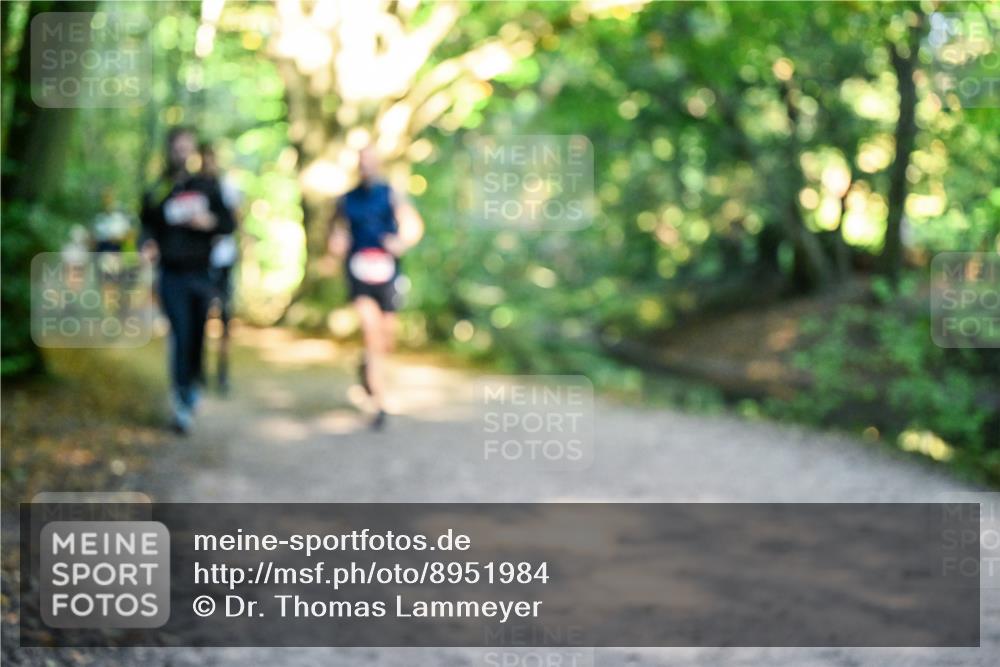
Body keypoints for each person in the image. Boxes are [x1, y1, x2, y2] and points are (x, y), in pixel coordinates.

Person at [140, 127, 235, 434]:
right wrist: (148, 245)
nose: (181, 152)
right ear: (169, 150)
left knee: (196, 336)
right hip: (170, 275)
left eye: (187, 147)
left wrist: (210, 223)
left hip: (202, 274)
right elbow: (146, 226)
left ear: (193, 151)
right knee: (179, 334)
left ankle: (193, 384)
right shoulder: (157, 189)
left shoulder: (208, 186)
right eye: (177, 147)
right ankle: (180, 400)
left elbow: (229, 222)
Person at [327, 145, 424, 429]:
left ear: (378, 165)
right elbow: (333, 231)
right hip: (359, 271)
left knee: (386, 339)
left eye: (370, 162)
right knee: (371, 333)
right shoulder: (346, 199)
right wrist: (335, 246)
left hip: (387, 273)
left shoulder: (390, 194)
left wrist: (401, 242)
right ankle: (379, 403)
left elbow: (414, 227)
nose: (366, 168)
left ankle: (366, 368)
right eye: (362, 163)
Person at [200, 142, 242, 395]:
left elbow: (236, 221)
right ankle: (201, 369)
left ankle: (222, 371)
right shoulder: (195, 190)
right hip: (202, 263)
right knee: (202, 316)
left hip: (224, 261)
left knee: (225, 317)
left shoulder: (228, 188)